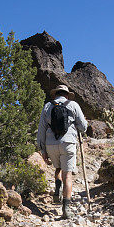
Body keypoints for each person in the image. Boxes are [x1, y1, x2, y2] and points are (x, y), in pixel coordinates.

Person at [36, 84, 87, 219]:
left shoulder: (47, 106)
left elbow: (41, 129)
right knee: (68, 175)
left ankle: (57, 187)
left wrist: (42, 150)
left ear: (55, 94)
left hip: (51, 143)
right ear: (66, 94)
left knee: (58, 167)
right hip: (68, 143)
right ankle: (66, 208)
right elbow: (83, 126)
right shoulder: (73, 104)